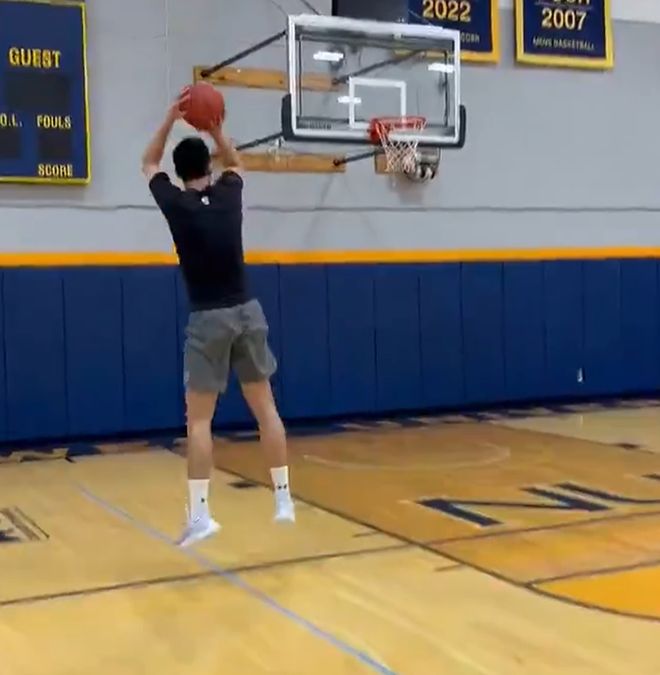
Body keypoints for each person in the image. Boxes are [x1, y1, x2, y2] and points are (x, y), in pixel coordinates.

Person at [141, 91, 295, 547]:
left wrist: (169, 119)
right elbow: (237, 162)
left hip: (208, 319)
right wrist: (215, 131)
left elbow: (148, 163)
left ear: (179, 173)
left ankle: (201, 515)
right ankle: (284, 499)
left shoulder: (176, 204)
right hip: (247, 310)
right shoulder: (229, 195)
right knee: (266, 409)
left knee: (199, 422)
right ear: (208, 166)